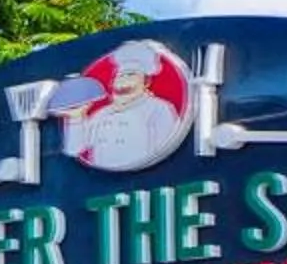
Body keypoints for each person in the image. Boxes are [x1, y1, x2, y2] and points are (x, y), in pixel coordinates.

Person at [50, 40, 188, 171]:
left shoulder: (159, 109)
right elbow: (74, 150)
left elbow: (166, 150)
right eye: (120, 76)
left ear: (146, 82)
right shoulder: (102, 114)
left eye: (131, 75)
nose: (123, 81)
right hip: (101, 184)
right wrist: (76, 117)